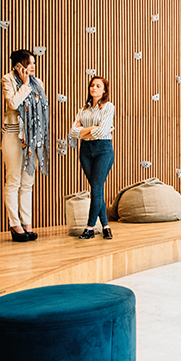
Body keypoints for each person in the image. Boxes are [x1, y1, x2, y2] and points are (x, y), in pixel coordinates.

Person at [0, 49, 50, 242]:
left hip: (32, 138)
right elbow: (13, 104)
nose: (33, 67)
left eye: (34, 63)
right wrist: (26, 84)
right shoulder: (8, 80)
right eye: (29, 63)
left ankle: (27, 224)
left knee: (28, 182)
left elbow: (42, 108)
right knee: (13, 181)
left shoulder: (39, 83)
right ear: (18, 65)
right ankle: (15, 225)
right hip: (13, 135)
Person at [69, 76, 115, 240]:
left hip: (103, 149)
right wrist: (92, 129)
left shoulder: (109, 107)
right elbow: (72, 132)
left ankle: (89, 228)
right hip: (86, 151)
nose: (94, 88)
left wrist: (84, 131)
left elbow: (101, 132)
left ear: (104, 90)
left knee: (95, 189)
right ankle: (105, 226)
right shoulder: (83, 110)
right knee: (98, 189)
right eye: (92, 85)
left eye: (98, 86)